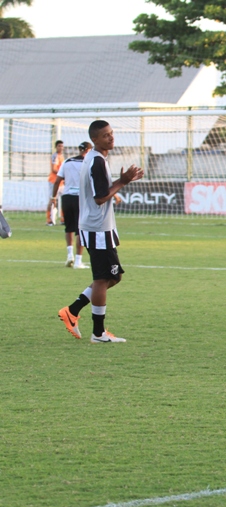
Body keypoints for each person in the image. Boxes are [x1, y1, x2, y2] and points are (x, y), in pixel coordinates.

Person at [58, 120, 143, 343]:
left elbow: (103, 191)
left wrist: (123, 180)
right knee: (104, 277)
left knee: (113, 276)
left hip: (98, 226)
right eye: (105, 135)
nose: (111, 138)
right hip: (97, 227)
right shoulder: (96, 161)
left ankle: (73, 310)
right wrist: (123, 181)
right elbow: (100, 198)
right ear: (94, 139)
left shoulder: (97, 159)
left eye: (112, 133)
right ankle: (98, 333)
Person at [51, 141, 92, 269]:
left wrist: (53, 197)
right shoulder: (88, 163)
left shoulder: (67, 162)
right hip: (81, 199)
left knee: (68, 227)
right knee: (81, 230)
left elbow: (57, 181)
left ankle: (70, 256)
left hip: (67, 197)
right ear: (89, 150)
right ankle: (78, 261)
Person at [46, 140, 64, 225]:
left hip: (61, 182)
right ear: (56, 147)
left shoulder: (62, 156)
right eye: (59, 146)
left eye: (62, 146)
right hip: (54, 181)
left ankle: (63, 218)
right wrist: (63, 174)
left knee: (65, 199)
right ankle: (49, 219)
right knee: (53, 199)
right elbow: (54, 169)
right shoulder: (55, 156)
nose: (61, 147)